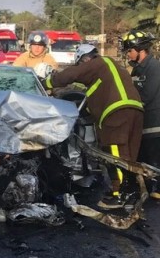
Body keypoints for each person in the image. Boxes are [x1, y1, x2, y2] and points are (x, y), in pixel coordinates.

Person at [45, 43, 144, 208]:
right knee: (129, 156)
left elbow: (71, 75)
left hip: (116, 114)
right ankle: (130, 195)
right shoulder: (110, 67)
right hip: (136, 111)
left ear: (85, 59)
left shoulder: (96, 63)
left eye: (80, 64)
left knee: (115, 155)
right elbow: (92, 95)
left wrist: (48, 82)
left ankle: (118, 195)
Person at [121, 28, 160, 196]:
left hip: (155, 122)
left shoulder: (155, 68)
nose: (128, 54)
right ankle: (144, 189)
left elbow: (147, 95)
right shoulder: (137, 69)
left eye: (130, 50)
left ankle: (156, 189)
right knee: (142, 158)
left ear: (140, 50)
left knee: (154, 159)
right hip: (141, 122)